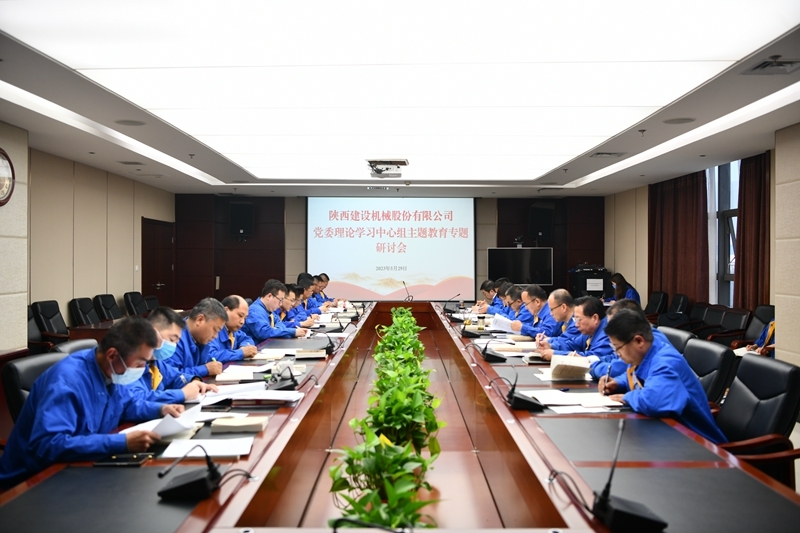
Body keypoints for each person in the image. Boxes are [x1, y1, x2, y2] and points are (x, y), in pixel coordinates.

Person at [0, 317, 184, 489]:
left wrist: (161, 409)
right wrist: (121, 442)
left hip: (80, 468)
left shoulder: (112, 372)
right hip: (31, 481)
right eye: (139, 363)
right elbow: (48, 445)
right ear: (112, 355)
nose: (143, 370)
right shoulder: (67, 381)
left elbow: (126, 404)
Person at [599, 309, 727, 444]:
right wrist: (618, 383)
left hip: (699, 444)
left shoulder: (665, 361)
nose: (617, 354)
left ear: (639, 341)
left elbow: (653, 401)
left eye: (617, 348)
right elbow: (632, 375)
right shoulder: (644, 354)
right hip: (669, 436)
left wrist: (627, 397)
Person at [126, 307, 218, 404]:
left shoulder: (155, 362)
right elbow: (138, 400)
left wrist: (194, 381)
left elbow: (176, 376)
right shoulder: (130, 363)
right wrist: (182, 394)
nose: (173, 346)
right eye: (172, 339)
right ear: (152, 333)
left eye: (176, 342)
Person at [537, 297, 616, 376]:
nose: (576, 325)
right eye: (575, 320)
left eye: (579, 320)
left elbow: (591, 358)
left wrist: (556, 354)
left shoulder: (608, 333)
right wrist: (551, 346)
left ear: (595, 318)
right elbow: (573, 344)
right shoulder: (589, 331)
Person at [165, 298, 227, 378]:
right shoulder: (173, 338)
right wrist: (205, 369)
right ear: (200, 320)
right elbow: (170, 376)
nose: (215, 336)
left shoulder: (200, 338)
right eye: (215, 330)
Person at [243, 279, 308, 342]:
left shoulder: (269, 310)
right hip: (258, 347)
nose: (281, 304)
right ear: (269, 296)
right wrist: (292, 332)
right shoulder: (255, 311)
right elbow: (264, 333)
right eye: (280, 300)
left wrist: (276, 330)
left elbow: (280, 324)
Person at [206, 295, 258, 363]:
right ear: (226, 311)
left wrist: (244, 346)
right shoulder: (212, 330)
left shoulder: (232, 330)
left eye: (245, 318)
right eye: (240, 315)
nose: (242, 322)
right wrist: (240, 353)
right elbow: (210, 356)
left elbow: (247, 339)